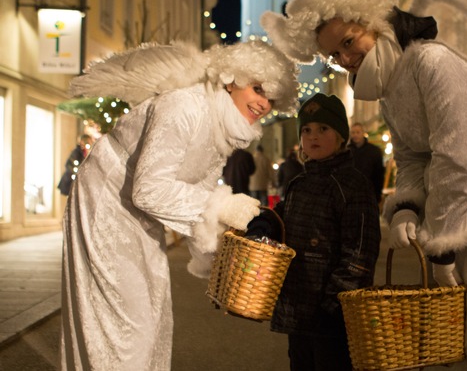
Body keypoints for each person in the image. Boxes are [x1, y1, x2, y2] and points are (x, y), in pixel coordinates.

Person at [261, 0, 467, 370]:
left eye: (349, 42)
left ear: (374, 22)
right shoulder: (387, 87)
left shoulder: (432, 62)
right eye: (334, 54)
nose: (345, 58)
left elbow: (455, 155)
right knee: (466, 321)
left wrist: (442, 247)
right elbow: (412, 156)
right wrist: (406, 204)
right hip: (465, 197)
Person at [59, 40, 299, 371]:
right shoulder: (185, 104)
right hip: (106, 203)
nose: (263, 103)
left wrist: (219, 251)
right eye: (258, 89)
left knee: (152, 315)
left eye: (271, 99)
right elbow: (150, 189)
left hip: (141, 214)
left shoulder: (222, 123)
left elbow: (196, 189)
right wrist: (225, 209)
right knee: (123, 323)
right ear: (232, 78)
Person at [247, 93, 381, 371]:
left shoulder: (353, 185)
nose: (313, 136)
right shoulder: (300, 181)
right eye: (306, 130)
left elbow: (360, 253)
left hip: (332, 314)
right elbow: (283, 216)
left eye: (323, 129)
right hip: (300, 306)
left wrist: (334, 304)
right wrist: (263, 224)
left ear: (341, 136)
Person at [347, 122, 385, 204]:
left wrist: (378, 194)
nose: (355, 135)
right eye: (353, 132)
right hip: (350, 194)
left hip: (369, 194)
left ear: (363, 133)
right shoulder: (346, 152)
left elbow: (379, 174)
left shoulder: (374, 151)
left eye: (358, 132)